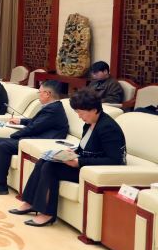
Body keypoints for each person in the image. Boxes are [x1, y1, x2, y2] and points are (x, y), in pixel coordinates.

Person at [11, 88, 126, 226]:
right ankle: (29, 202)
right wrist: (72, 152)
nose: (79, 116)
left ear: (94, 110)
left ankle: (47, 213)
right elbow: (85, 147)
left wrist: (79, 162)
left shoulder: (108, 127)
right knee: (43, 161)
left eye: (81, 112)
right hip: (85, 163)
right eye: (77, 112)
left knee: (50, 168)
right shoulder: (90, 123)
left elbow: (114, 159)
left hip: (93, 169)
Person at [0, 79, 69, 195]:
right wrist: (20, 121)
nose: (38, 95)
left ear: (47, 94)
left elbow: (33, 128)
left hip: (41, 141)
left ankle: (0, 185)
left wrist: (13, 136)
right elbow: (36, 122)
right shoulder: (52, 107)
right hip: (35, 137)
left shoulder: (53, 109)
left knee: (4, 145)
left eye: (39, 92)